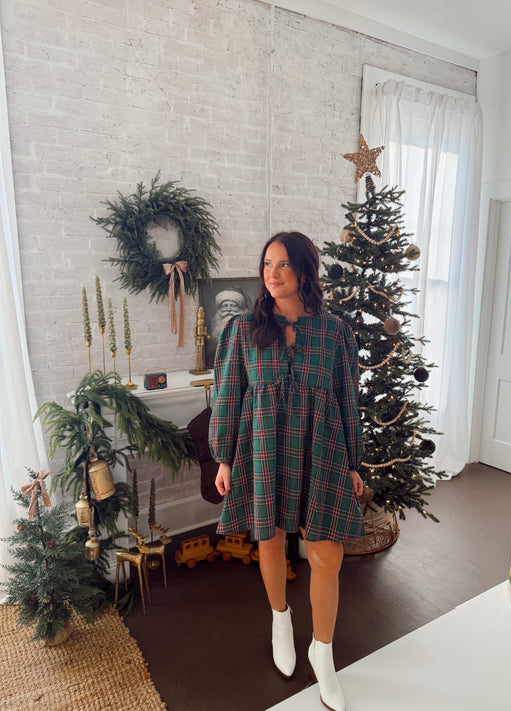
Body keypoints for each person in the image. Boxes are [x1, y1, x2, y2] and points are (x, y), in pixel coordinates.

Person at [208, 232, 364, 711]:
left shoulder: (335, 333)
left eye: (282, 265)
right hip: (265, 448)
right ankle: (280, 618)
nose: (271, 274)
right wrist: (224, 457)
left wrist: (353, 463)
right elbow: (229, 394)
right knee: (271, 541)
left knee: (327, 556)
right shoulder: (242, 330)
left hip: (322, 449)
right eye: (266, 265)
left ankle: (323, 651)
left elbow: (347, 398)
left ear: (304, 270)